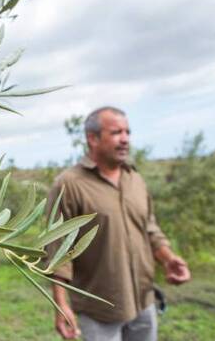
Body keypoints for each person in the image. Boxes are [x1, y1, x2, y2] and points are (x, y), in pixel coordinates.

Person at [46, 106, 191, 341]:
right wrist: (61, 306)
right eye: (115, 133)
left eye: (127, 132)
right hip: (98, 311)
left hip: (143, 301)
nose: (125, 139)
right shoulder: (69, 185)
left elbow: (149, 228)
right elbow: (57, 251)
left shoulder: (135, 179)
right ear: (92, 138)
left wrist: (168, 258)